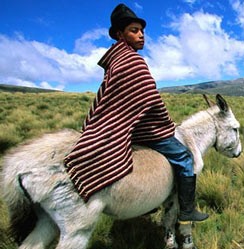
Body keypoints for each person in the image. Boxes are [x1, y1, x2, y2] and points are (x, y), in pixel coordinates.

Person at [64, 3, 208, 222]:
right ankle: (187, 210)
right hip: (150, 131)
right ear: (120, 34)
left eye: (142, 31)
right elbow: (149, 99)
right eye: (134, 31)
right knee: (185, 158)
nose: (141, 36)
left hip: (131, 129)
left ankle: (150, 202)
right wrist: (166, 124)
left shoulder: (116, 61)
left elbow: (115, 101)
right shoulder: (133, 61)